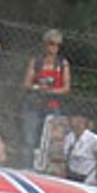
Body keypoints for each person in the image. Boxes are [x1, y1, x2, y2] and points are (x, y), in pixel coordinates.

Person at [19, 30, 71, 168]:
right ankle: (27, 167)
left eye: (57, 45)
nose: (53, 48)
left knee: (52, 140)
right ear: (45, 45)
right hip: (34, 103)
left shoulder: (62, 63)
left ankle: (49, 169)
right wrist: (37, 88)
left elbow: (66, 87)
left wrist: (51, 91)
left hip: (53, 104)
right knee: (29, 138)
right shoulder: (36, 61)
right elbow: (26, 83)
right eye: (51, 44)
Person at [59, 110, 97, 184]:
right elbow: (66, 159)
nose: (72, 120)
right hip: (71, 175)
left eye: (75, 117)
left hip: (87, 177)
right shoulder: (69, 137)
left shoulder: (94, 139)